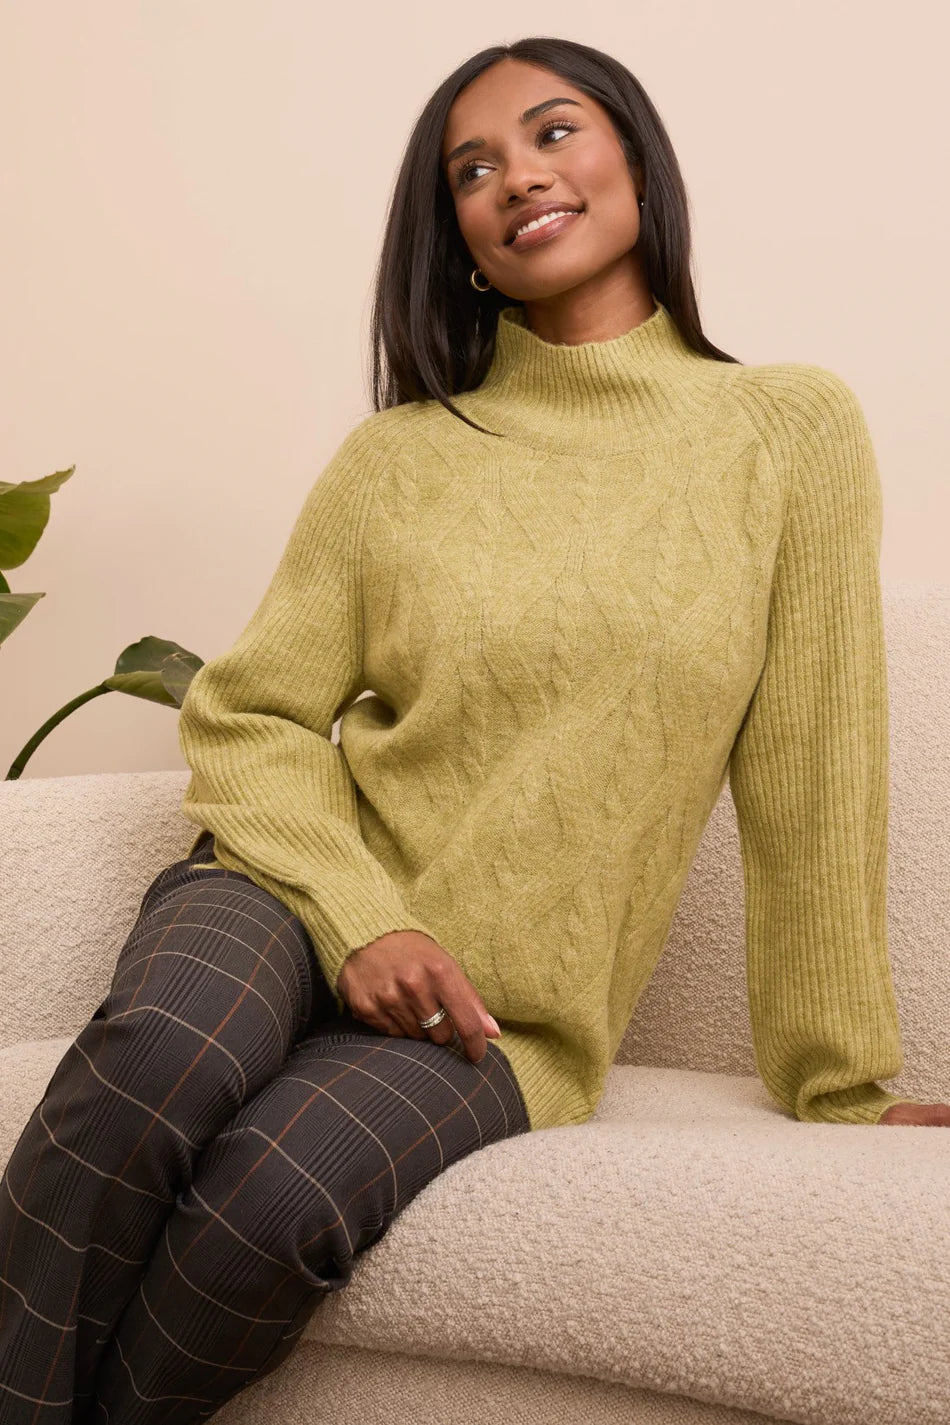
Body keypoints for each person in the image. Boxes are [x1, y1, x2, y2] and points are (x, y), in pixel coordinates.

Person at [3, 33, 948, 1425]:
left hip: (506, 1003)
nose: (519, 177)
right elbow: (252, 713)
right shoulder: (398, 456)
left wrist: (840, 1084)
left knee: (272, 1202)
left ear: (636, 160)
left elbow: (814, 779)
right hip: (285, 893)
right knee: (155, 1068)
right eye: (473, 170)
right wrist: (363, 921)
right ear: (456, 239)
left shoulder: (784, 430)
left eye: (555, 133)